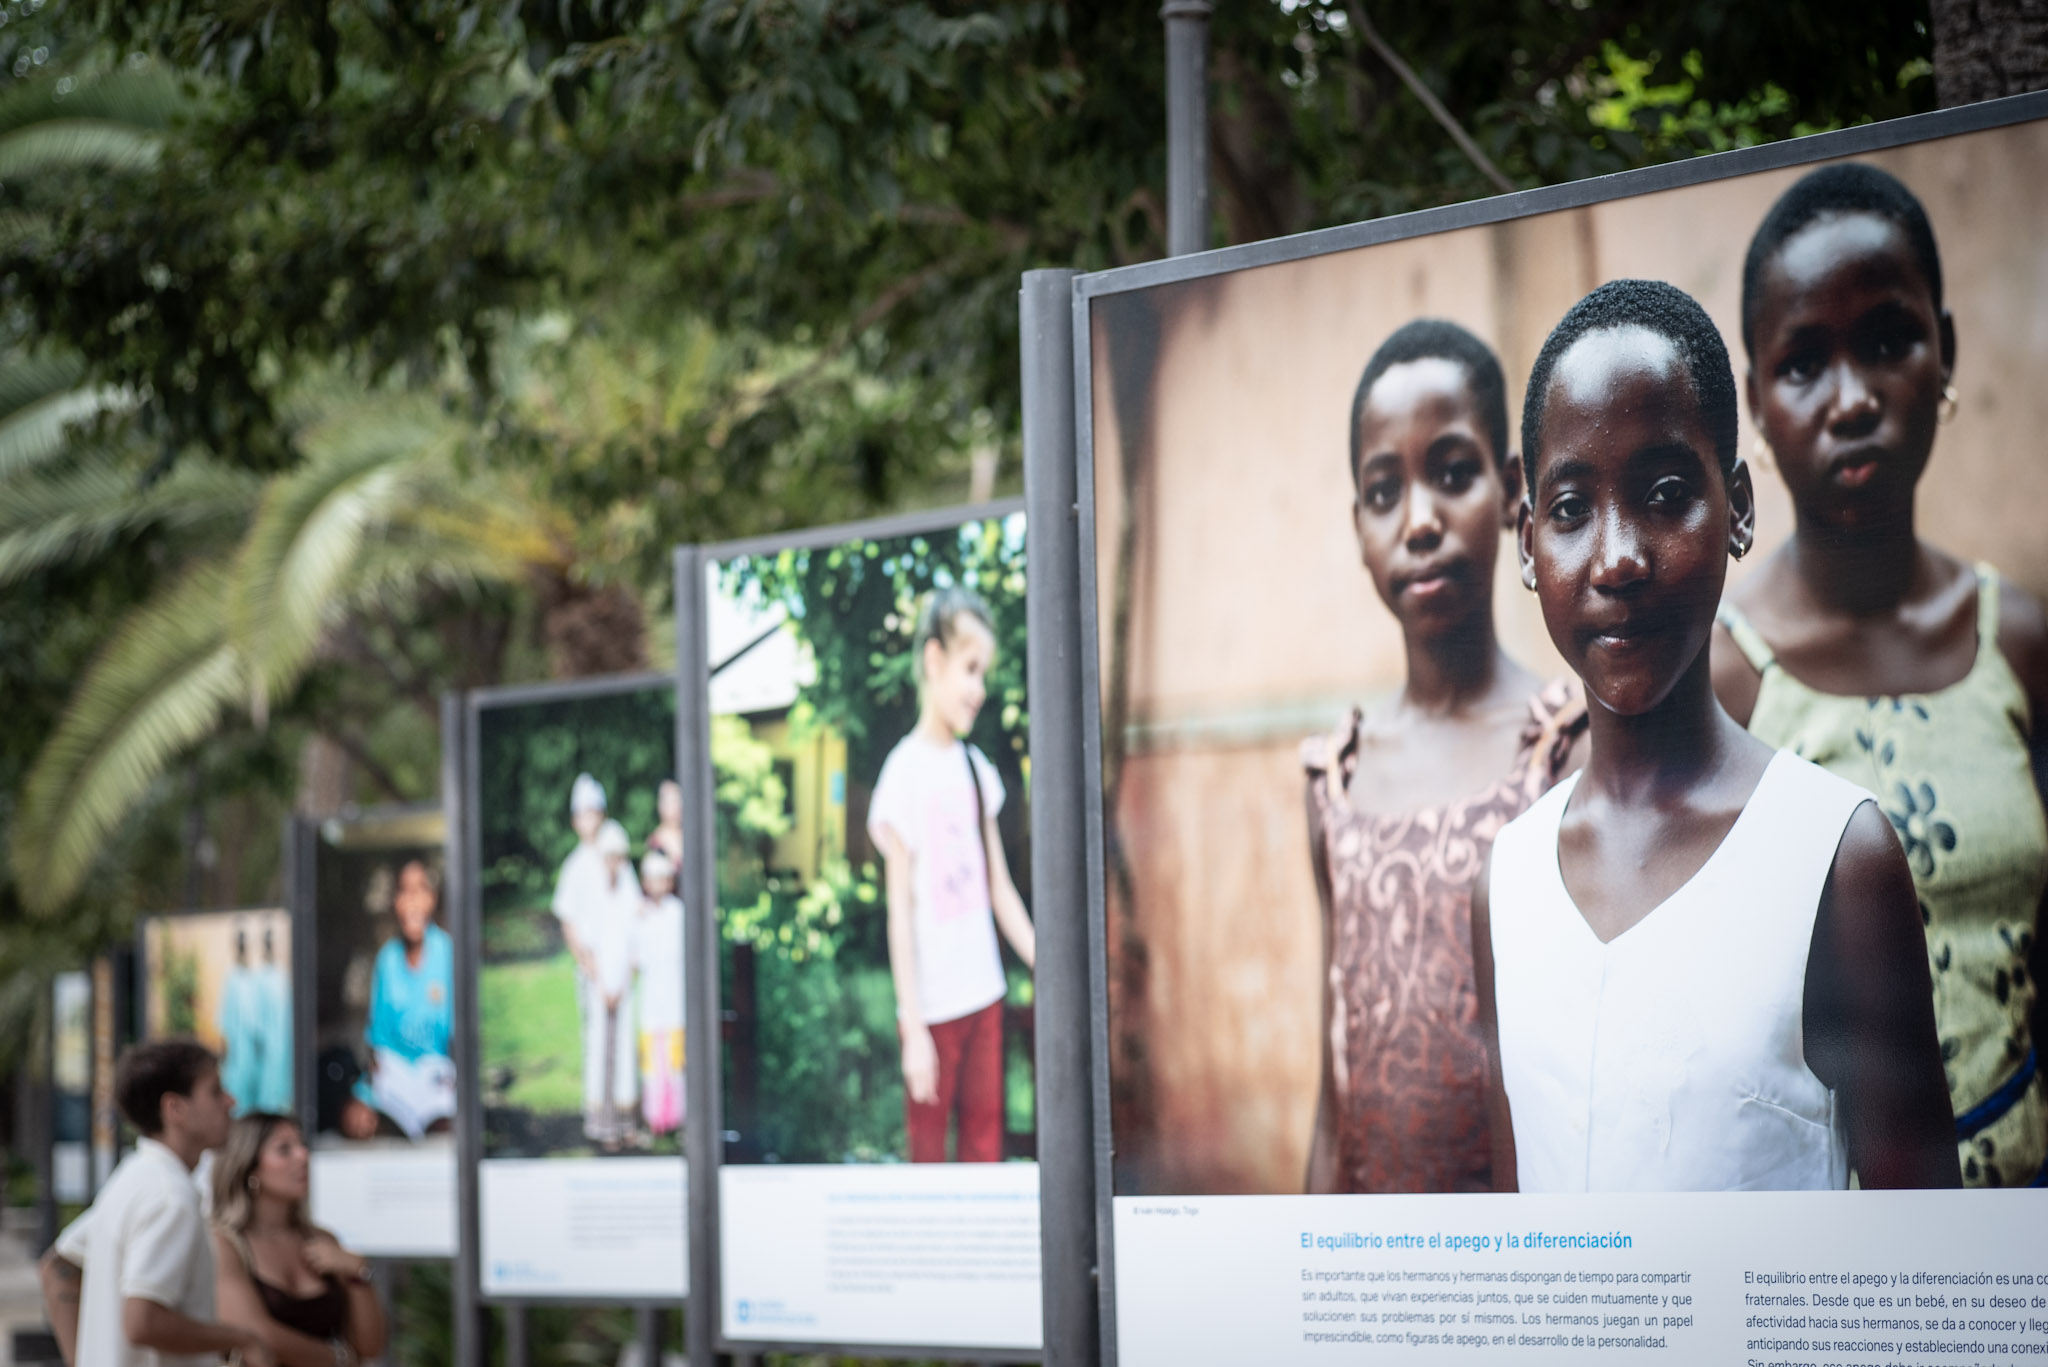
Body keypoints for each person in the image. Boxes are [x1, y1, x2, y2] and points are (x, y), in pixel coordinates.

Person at [1472, 278, 1958, 1192]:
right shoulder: (1506, 882)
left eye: (1663, 493)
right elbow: (1517, 1244)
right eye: (1571, 510)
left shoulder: (1836, 858)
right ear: (1529, 543)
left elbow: (1926, 1274)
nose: (1617, 556)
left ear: (1735, 506)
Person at [1712, 163, 2048, 1188]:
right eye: (1803, 361)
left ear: (1942, 349)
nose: (1850, 398)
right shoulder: (1720, 675)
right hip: (1834, 1264)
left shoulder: (2018, 641)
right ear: (1755, 402)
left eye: (1888, 340)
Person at [1302, 319, 1586, 1195]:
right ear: (1358, 527)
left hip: (1522, 1261)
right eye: (1385, 492)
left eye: (1453, 474)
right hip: (1370, 1275)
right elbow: (1333, 1080)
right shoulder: (1334, 778)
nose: (1420, 520)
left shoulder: (1566, 746)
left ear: (1510, 492)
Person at [868, 587, 1035, 1163]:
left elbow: (1000, 889)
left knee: (984, 1152)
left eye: (983, 673)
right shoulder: (901, 776)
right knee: (930, 1164)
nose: (979, 689)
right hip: (932, 1015)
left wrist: (1049, 960)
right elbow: (900, 918)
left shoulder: (976, 769)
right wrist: (913, 1031)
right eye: (970, 669)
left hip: (985, 998)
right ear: (934, 661)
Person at [39, 1039, 277, 1367]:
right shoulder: (169, 1196)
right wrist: (241, 1339)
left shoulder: (136, 1177)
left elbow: (57, 1265)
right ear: (174, 1109)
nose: (230, 1102)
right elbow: (142, 1322)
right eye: (215, 1091)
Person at [210, 1114, 384, 1367]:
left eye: (302, 1145)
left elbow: (370, 1346)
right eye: (284, 1150)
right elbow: (257, 1335)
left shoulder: (322, 1238)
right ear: (249, 1167)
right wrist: (340, 1360)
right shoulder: (225, 1244)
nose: (303, 1156)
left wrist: (359, 1272)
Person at [340, 859, 456, 1141]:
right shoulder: (388, 960)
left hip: (439, 1080)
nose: (413, 901)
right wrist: (363, 1098)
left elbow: (457, 1039)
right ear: (395, 901)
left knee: (445, 1130)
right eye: (405, 891)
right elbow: (378, 1042)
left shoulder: (449, 953)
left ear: (433, 898)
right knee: (355, 1121)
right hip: (396, 1083)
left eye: (421, 890)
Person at [582, 819, 642, 1147]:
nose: (613, 863)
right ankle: (605, 1126)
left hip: (624, 987)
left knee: (625, 1054)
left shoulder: (629, 891)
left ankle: (627, 1123)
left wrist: (624, 982)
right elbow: (587, 947)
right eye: (608, 856)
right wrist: (601, 984)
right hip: (600, 986)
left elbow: (635, 942)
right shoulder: (594, 894)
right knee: (602, 1053)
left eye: (617, 856)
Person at [635, 847, 687, 1137]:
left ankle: (677, 1118)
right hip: (651, 1001)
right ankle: (655, 1118)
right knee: (653, 1062)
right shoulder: (640, 915)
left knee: (676, 1059)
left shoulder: (678, 913)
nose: (657, 885)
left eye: (662, 878)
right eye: (651, 879)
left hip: (674, 999)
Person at [647, 779, 686, 867]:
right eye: (671, 801)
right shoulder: (655, 842)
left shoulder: (690, 835)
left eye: (678, 800)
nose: (678, 806)